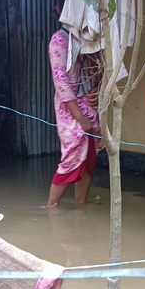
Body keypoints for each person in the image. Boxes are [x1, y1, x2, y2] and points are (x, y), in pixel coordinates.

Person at [45, 24, 101, 207]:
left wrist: (99, 91)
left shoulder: (92, 38)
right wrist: (80, 118)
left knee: (88, 158)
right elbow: (60, 81)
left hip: (90, 109)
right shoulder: (59, 39)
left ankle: (80, 206)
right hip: (71, 112)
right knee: (71, 157)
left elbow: (100, 70)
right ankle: (51, 207)